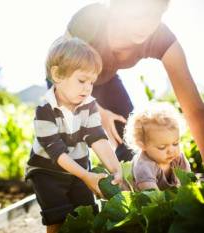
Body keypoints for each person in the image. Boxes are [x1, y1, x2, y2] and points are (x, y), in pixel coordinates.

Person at [57, 0, 204, 162]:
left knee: (130, 142)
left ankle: (136, 183)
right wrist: (97, 111)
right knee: (68, 143)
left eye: (155, 16)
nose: (146, 25)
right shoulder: (90, 20)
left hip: (105, 80)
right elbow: (64, 78)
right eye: (137, 15)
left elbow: (195, 111)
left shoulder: (162, 37)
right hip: (63, 79)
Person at [26, 37, 123, 233]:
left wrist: (116, 168)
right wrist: (86, 176)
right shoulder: (44, 110)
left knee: (86, 213)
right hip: (47, 171)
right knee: (57, 218)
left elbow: (97, 138)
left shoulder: (89, 105)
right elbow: (56, 152)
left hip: (79, 168)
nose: (88, 88)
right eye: (82, 80)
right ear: (57, 74)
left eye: (91, 82)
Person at [124, 102, 191, 191]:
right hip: (148, 201)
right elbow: (153, 199)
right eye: (162, 147)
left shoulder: (178, 157)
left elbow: (189, 183)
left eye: (175, 143)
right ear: (142, 145)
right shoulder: (144, 167)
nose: (171, 150)